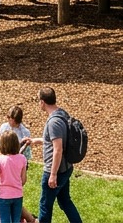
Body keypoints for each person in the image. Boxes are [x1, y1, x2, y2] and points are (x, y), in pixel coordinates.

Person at [35, 86, 82, 223]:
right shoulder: (62, 114)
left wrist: (53, 174)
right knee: (65, 201)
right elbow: (59, 141)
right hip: (66, 167)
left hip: (56, 170)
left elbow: (58, 149)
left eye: (38, 101)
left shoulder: (53, 122)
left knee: (45, 205)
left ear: (42, 102)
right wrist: (37, 141)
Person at [0, 130, 29, 223]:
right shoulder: (22, 158)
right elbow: (23, 179)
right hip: (18, 195)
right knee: (16, 220)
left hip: (3, 196)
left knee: (5, 220)